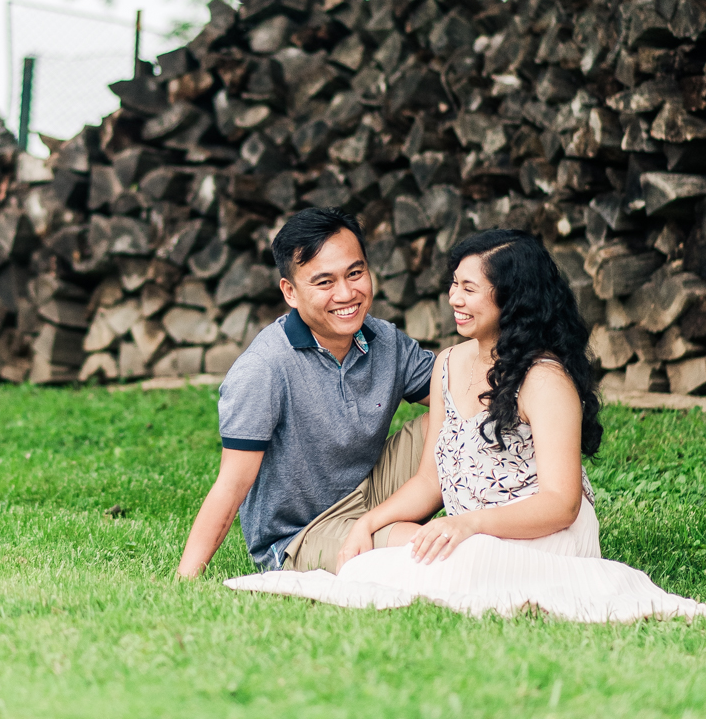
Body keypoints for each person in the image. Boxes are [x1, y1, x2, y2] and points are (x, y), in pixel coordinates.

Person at [227, 229, 706, 622]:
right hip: (470, 527)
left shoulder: (544, 380)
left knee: (454, 564)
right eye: (454, 284)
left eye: (469, 289)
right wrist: (371, 521)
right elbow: (428, 479)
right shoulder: (448, 364)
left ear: (512, 298)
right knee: (374, 560)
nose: (454, 298)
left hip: (535, 531)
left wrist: (468, 525)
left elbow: (562, 505)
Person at [177, 206, 436, 578]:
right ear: (291, 292)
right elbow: (231, 485)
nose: (347, 293)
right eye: (324, 282)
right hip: (300, 536)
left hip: (372, 493)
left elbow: (458, 390)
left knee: (457, 417)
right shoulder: (263, 369)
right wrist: (185, 578)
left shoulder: (384, 340)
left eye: (355, 273)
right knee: (419, 548)